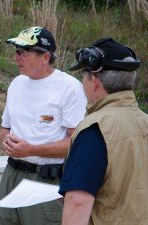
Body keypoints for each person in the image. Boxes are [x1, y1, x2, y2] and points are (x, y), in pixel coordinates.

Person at [0, 26, 87, 225]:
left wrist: (31, 149)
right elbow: (4, 129)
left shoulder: (69, 87)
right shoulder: (17, 84)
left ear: (45, 56)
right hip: (11, 173)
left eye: (23, 53)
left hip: (45, 179)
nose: (16, 58)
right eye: (16, 52)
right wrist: (6, 141)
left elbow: (78, 142)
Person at [59, 38, 147, 225]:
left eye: (83, 74)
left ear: (95, 82)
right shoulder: (144, 121)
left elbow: (78, 203)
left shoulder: (94, 129)